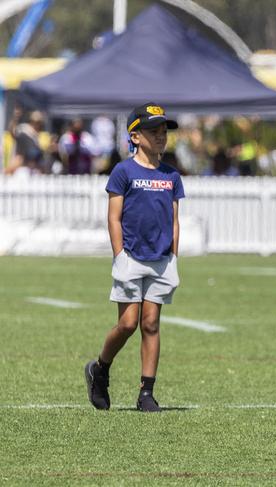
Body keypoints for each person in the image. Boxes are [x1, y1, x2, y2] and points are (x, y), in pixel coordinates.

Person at [84, 102, 184, 412]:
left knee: (151, 324)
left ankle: (146, 392)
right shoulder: (123, 171)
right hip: (130, 257)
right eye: (153, 131)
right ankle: (99, 368)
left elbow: (174, 219)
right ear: (135, 136)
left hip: (161, 259)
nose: (161, 136)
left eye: (163, 131)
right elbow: (113, 217)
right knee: (128, 323)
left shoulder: (171, 175)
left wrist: (173, 255)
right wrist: (119, 255)